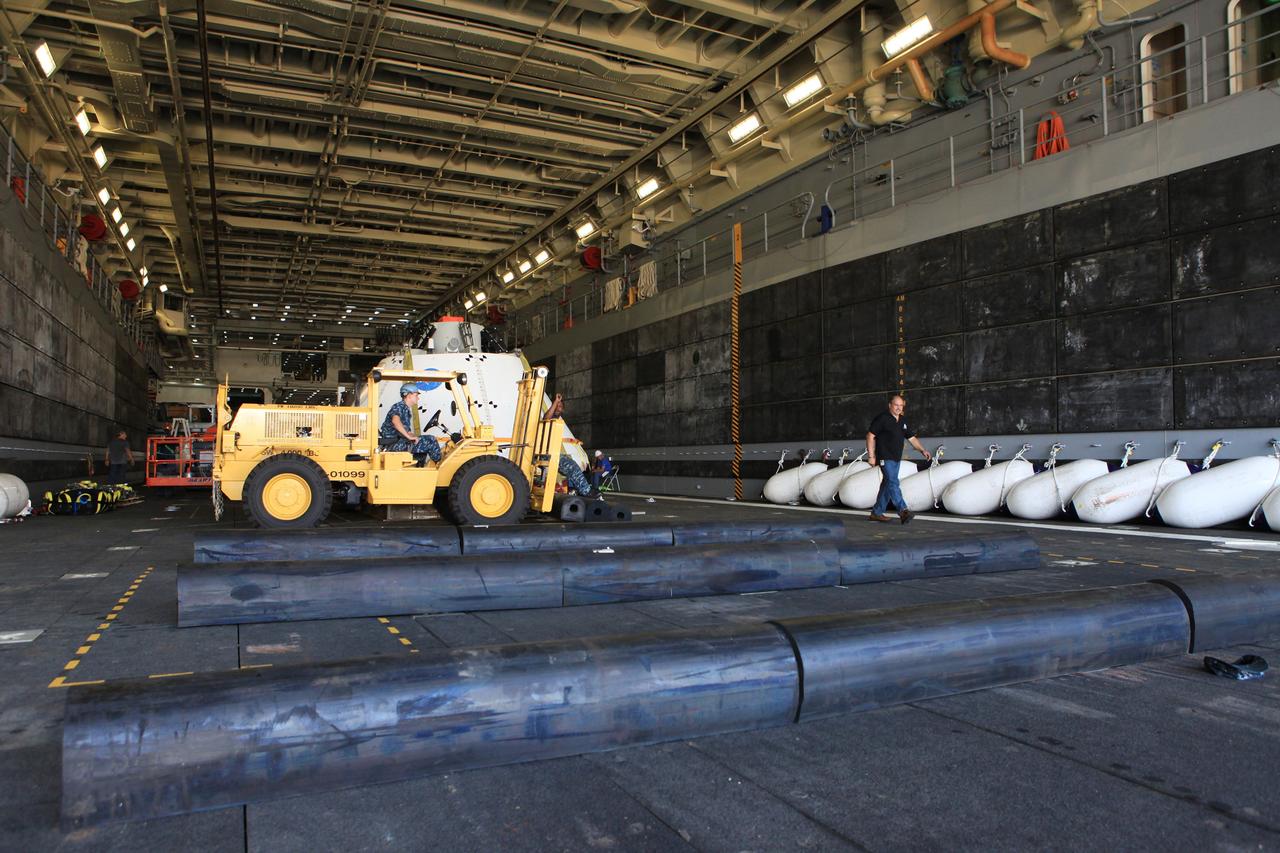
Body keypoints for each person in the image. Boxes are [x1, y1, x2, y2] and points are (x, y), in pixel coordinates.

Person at [866, 394, 931, 524]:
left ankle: (876, 513)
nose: (898, 408)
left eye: (901, 405)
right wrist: (871, 456)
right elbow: (870, 436)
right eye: (896, 405)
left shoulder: (902, 420)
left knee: (887, 484)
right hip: (885, 457)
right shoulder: (882, 419)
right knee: (893, 482)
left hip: (896, 458)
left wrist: (922, 450)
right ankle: (903, 511)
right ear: (890, 405)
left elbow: (911, 438)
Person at [378, 383, 442, 466]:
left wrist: (412, 436)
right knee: (431, 440)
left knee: (424, 439)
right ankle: (440, 467)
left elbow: (405, 430)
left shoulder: (405, 409)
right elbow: (395, 421)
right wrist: (409, 437)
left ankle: (424, 468)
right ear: (409, 395)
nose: (418, 398)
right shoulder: (399, 406)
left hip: (397, 442)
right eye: (416, 395)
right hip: (393, 445)